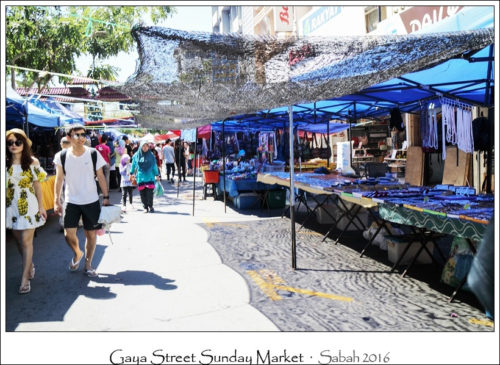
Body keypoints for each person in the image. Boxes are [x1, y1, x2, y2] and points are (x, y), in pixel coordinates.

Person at [53, 124, 110, 278]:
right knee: (68, 233)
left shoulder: (93, 154)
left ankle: (88, 264)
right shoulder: (62, 156)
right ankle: (78, 253)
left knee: (91, 235)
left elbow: (101, 176)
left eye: (83, 134)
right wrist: (56, 200)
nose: (81, 138)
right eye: (76, 135)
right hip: (71, 200)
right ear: (69, 138)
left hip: (91, 200)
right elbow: (59, 180)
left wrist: (106, 197)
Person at [6, 128, 48, 294]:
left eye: (18, 142)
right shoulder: (5, 162)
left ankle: (24, 279)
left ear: (24, 143)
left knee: (25, 242)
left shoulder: (32, 162)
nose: (14, 145)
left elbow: (38, 186)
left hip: (29, 205)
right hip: (11, 206)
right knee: (18, 240)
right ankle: (29, 265)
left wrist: (42, 206)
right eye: (10, 143)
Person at [130, 140, 160, 213]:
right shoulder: (136, 155)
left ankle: (150, 206)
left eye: (146, 146)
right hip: (140, 177)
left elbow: (154, 166)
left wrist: (157, 175)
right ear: (140, 146)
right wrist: (131, 173)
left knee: (150, 193)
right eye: (143, 146)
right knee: (142, 193)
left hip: (150, 176)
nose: (145, 147)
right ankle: (145, 207)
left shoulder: (151, 155)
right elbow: (133, 165)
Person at [54, 136, 71, 232]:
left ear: (61, 144)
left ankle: (63, 223)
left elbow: (59, 176)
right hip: (71, 183)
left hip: (62, 182)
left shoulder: (58, 155)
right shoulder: (75, 154)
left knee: (63, 202)